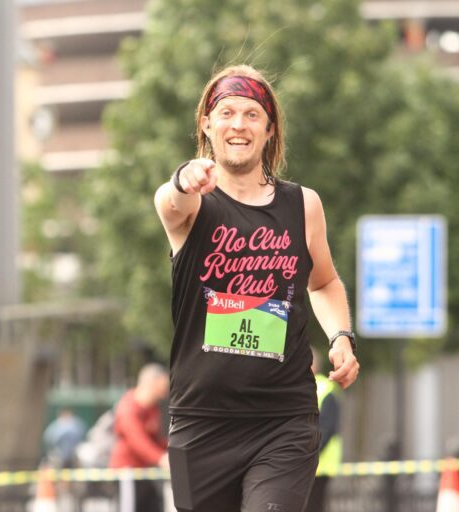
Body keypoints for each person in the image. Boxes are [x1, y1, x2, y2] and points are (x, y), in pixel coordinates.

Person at [154, 64, 360, 512]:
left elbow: (323, 281)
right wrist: (185, 180)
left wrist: (341, 336)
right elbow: (171, 202)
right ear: (206, 124)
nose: (239, 125)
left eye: (252, 115)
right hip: (201, 421)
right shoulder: (193, 206)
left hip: (283, 420)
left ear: (269, 130)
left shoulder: (303, 205)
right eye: (226, 113)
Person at [109, 363, 170, 511]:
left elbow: (156, 440)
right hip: (127, 473)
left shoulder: (152, 408)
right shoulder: (129, 407)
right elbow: (137, 440)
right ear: (151, 382)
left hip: (145, 472)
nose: (166, 389)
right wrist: (160, 458)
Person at [306, 350, 342, 512]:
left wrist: (309, 454)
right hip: (304, 462)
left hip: (319, 465)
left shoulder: (324, 388)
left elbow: (327, 429)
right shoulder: (298, 387)